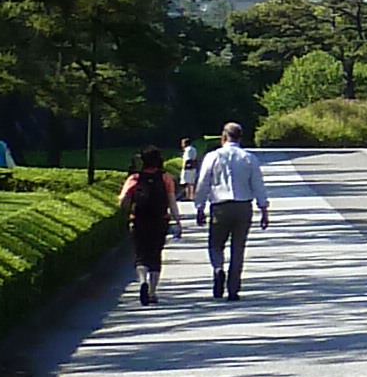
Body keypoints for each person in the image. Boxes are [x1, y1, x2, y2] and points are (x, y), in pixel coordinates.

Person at [192, 120, 271, 301]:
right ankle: (233, 288)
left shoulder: (213, 156)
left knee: (215, 244)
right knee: (238, 248)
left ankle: (218, 269)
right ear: (240, 137)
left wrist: (199, 206)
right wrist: (264, 209)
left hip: (220, 206)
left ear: (224, 136)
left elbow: (203, 182)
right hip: (243, 206)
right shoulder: (249, 158)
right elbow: (258, 185)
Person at [116, 145, 180, 306]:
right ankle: (152, 291)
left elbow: (122, 200)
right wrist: (177, 220)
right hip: (160, 219)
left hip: (139, 219)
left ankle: (142, 280)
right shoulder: (166, 178)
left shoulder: (135, 178)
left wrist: (126, 207)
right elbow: (172, 201)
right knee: (156, 254)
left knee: (140, 253)